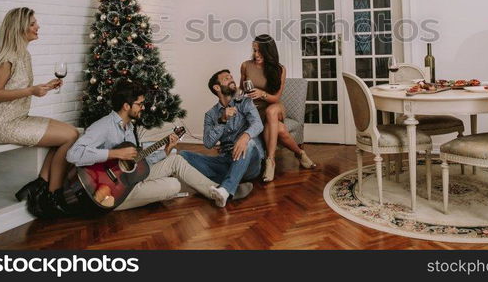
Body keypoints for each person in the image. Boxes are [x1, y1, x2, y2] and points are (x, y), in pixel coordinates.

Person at [66, 81, 247, 210]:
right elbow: (73, 154)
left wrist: (165, 151)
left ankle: (221, 191)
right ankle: (223, 191)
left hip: (131, 178)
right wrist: (114, 154)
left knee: (175, 159)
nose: (143, 107)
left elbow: (137, 161)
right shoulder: (104, 126)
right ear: (126, 106)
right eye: (140, 104)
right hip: (116, 192)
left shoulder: (129, 127)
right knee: (174, 185)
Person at [0, 7, 79, 218]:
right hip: (4, 126)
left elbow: (16, 89)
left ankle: (40, 185)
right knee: (70, 136)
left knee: (72, 133)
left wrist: (43, 87)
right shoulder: (8, 58)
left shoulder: (24, 55)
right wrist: (31, 91)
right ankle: (53, 197)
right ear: (19, 28)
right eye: (32, 23)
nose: (38, 27)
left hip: (20, 118)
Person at [179, 69, 262, 206]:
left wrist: (244, 137)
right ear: (217, 88)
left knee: (250, 143)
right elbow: (208, 143)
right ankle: (233, 187)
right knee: (183, 155)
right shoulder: (211, 115)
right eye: (226, 78)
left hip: (249, 162)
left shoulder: (245, 102)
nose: (231, 79)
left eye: (231, 77)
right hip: (225, 161)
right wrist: (222, 120)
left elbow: (258, 124)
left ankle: (224, 189)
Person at [240, 34, 315, 182]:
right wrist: (241, 93)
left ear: (269, 51)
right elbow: (241, 90)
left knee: (271, 111)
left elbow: (276, 98)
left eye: (260, 51)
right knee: (280, 130)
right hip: (255, 111)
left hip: (275, 107)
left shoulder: (279, 69)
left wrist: (261, 94)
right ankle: (300, 154)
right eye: (254, 50)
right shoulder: (245, 65)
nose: (256, 55)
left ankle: (270, 161)